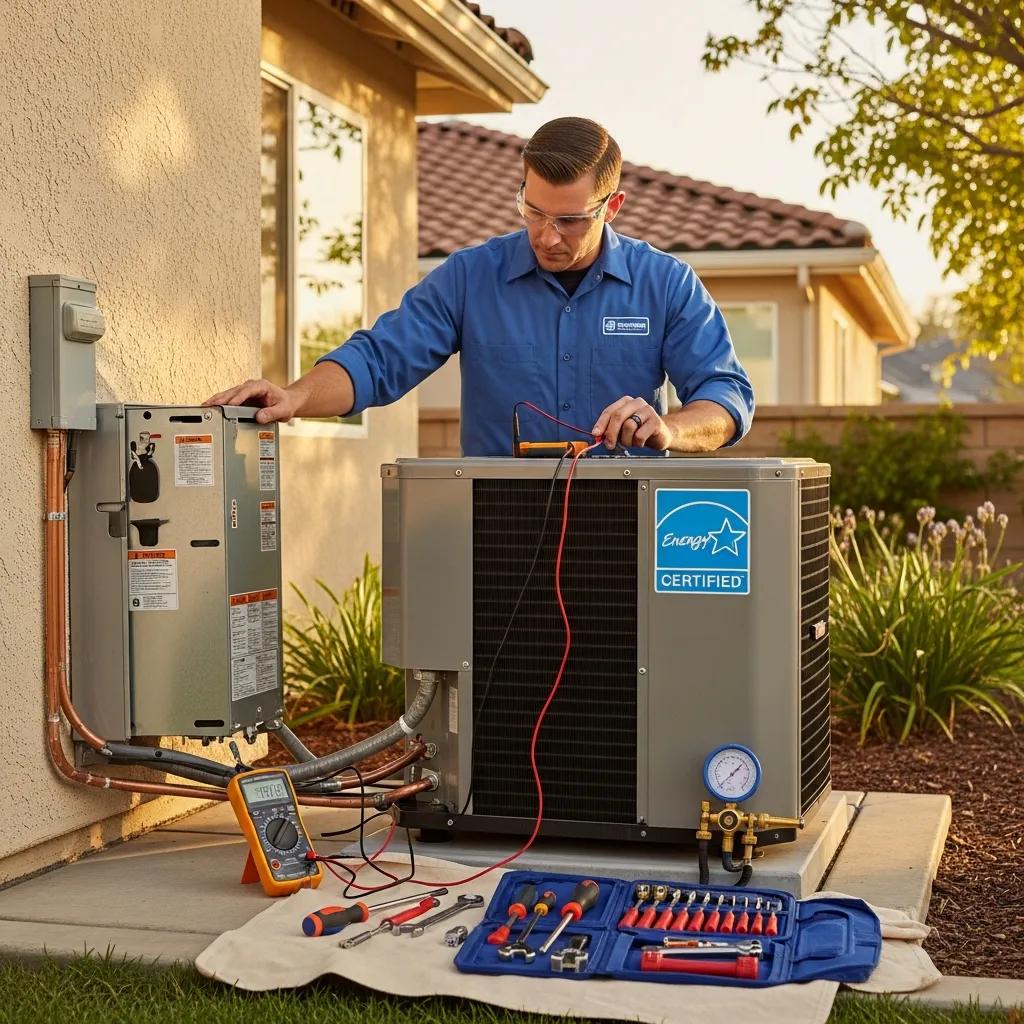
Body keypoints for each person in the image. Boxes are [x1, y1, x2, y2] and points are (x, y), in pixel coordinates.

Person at [205, 117, 753, 455]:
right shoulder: (470, 277)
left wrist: (668, 428)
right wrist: (296, 395)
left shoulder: (667, 285)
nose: (547, 235)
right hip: (497, 536)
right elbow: (380, 360)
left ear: (611, 207)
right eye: (533, 211)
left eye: (569, 220)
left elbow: (727, 399)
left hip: (627, 535)